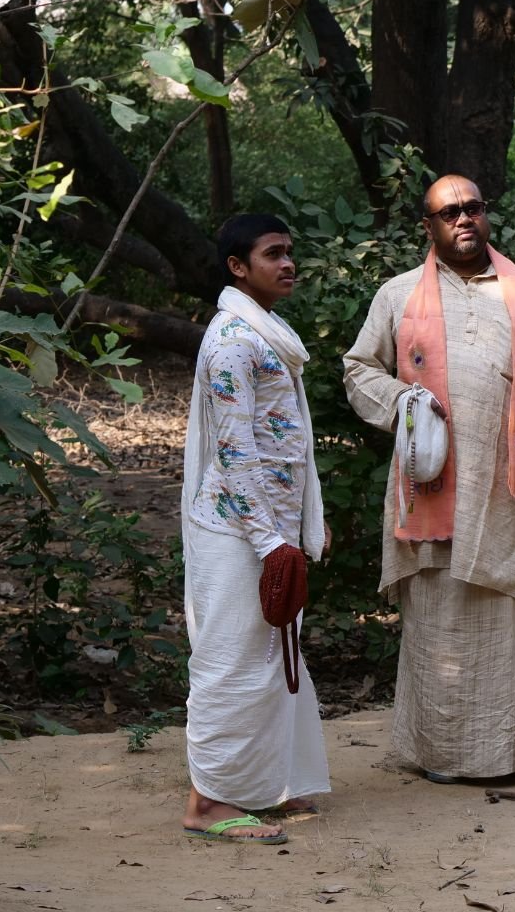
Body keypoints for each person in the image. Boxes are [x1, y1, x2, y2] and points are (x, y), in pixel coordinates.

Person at [342, 175, 515, 790]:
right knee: (442, 621)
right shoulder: (399, 295)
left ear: (486, 216)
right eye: (449, 211)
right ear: (427, 225)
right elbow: (356, 368)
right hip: (436, 490)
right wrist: (403, 399)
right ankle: (450, 754)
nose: (463, 219)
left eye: (473, 208)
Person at [179, 213, 331, 843]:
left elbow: (287, 444)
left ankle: (269, 784)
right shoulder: (233, 341)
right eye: (274, 253)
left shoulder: (269, 333)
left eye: (291, 251)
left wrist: (302, 525)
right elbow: (235, 452)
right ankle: (207, 804)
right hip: (239, 530)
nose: (288, 263)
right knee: (232, 659)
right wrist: (270, 542)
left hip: (272, 526)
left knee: (275, 655)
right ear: (238, 268)